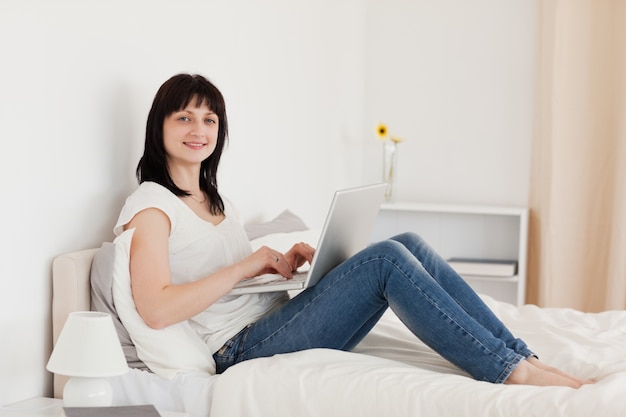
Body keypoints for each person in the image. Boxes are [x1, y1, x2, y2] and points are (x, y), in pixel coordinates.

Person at [115, 73, 590, 388]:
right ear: (160, 126)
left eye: (209, 119)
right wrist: (248, 264)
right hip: (237, 350)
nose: (199, 129)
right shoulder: (152, 207)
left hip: (268, 319)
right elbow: (157, 310)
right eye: (184, 117)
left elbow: (222, 284)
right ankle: (511, 374)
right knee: (386, 260)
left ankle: (518, 355)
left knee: (408, 245)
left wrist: (282, 268)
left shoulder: (218, 201)